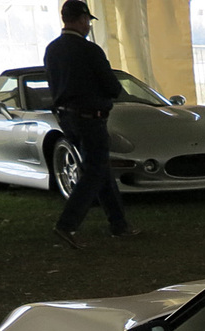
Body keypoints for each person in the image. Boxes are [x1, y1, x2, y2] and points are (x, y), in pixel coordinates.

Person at [43, 0, 136, 248]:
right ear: (82, 19)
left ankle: (119, 224)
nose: (87, 26)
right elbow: (110, 85)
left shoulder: (52, 49)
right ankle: (67, 223)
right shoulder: (89, 50)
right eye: (87, 21)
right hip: (90, 117)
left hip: (67, 117)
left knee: (101, 169)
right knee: (95, 171)